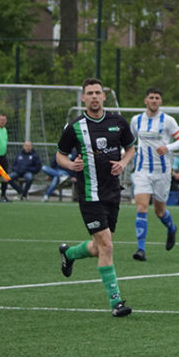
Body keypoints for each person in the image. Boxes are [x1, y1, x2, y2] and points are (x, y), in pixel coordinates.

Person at [55, 77, 136, 318]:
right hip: (89, 194)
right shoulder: (74, 127)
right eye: (89, 93)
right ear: (83, 98)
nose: (93, 96)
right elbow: (59, 155)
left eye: (97, 92)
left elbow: (131, 147)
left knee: (100, 246)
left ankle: (69, 254)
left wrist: (123, 163)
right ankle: (116, 302)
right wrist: (71, 165)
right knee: (108, 246)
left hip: (113, 192)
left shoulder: (118, 122)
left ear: (103, 96)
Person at [129, 87, 179, 261]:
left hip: (162, 173)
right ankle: (141, 250)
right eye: (151, 98)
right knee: (141, 207)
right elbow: (129, 141)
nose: (154, 100)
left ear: (160, 101)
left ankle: (171, 229)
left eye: (157, 98)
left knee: (160, 212)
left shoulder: (167, 121)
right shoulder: (136, 120)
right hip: (142, 170)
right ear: (145, 100)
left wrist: (167, 147)